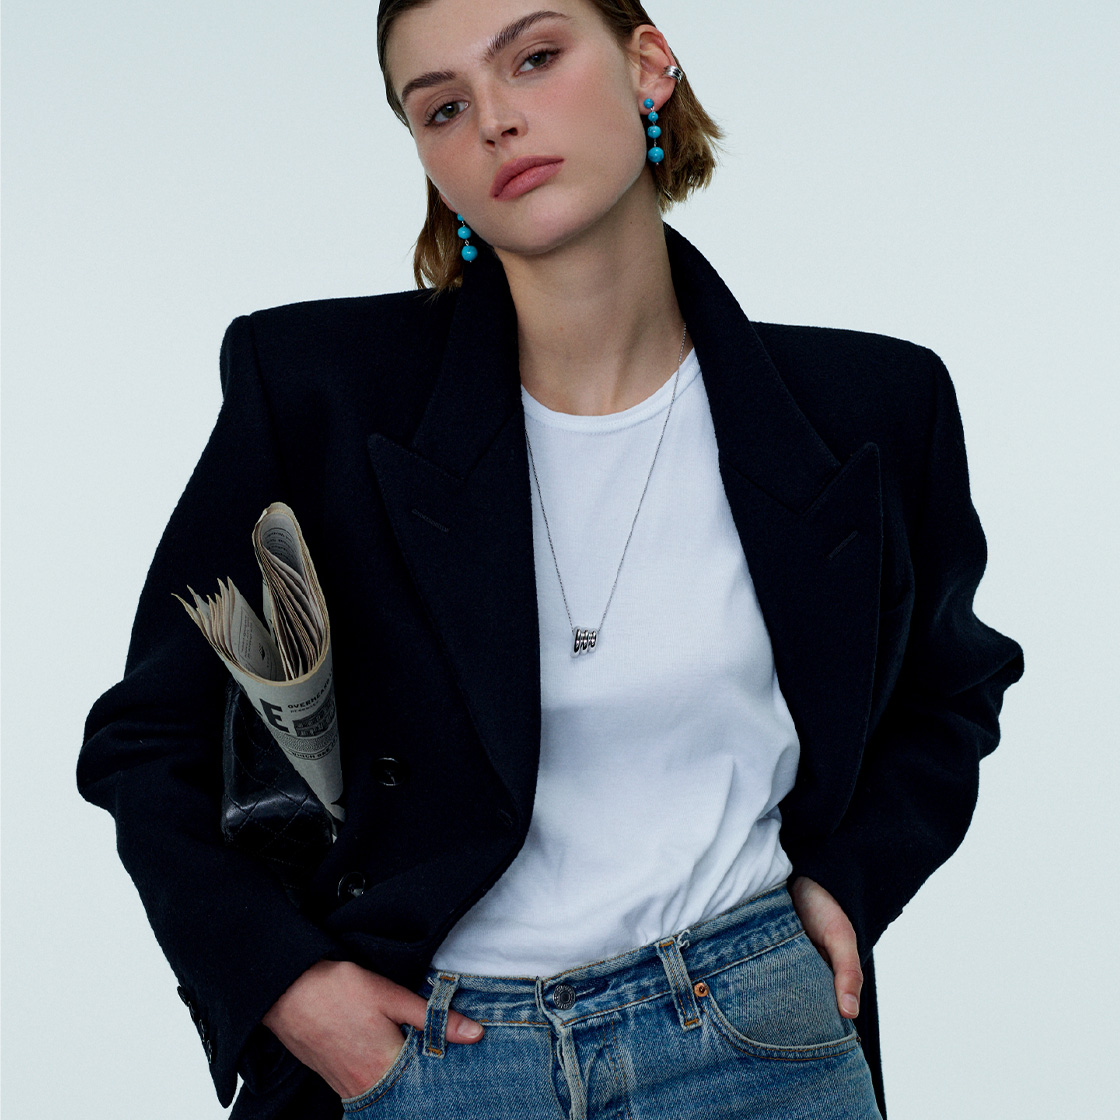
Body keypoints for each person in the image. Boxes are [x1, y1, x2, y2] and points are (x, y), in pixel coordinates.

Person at [78, 1, 1024, 1117]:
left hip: (751, 1038)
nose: (494, 120)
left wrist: (848, 882)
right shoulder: (317, 390)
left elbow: (947, 693)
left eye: (533, 58)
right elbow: (149, 740)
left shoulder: (872, 405)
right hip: (426, 1055)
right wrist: (281, 982)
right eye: (442, 107)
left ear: (648, 64)